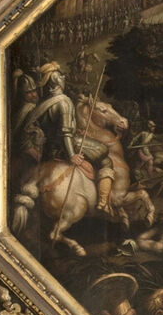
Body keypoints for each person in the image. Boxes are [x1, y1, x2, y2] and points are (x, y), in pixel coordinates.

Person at [22, 62, 116, 216]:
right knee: (105, 156)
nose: (63, 78)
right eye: (61, 77)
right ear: (56, 81)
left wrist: (75, 130)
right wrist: (72, 155)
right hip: (66, 146)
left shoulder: (44, 103)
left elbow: (53, 127)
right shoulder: (64, 101)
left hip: (48, 148)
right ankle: (103, 203)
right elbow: (65, 133)